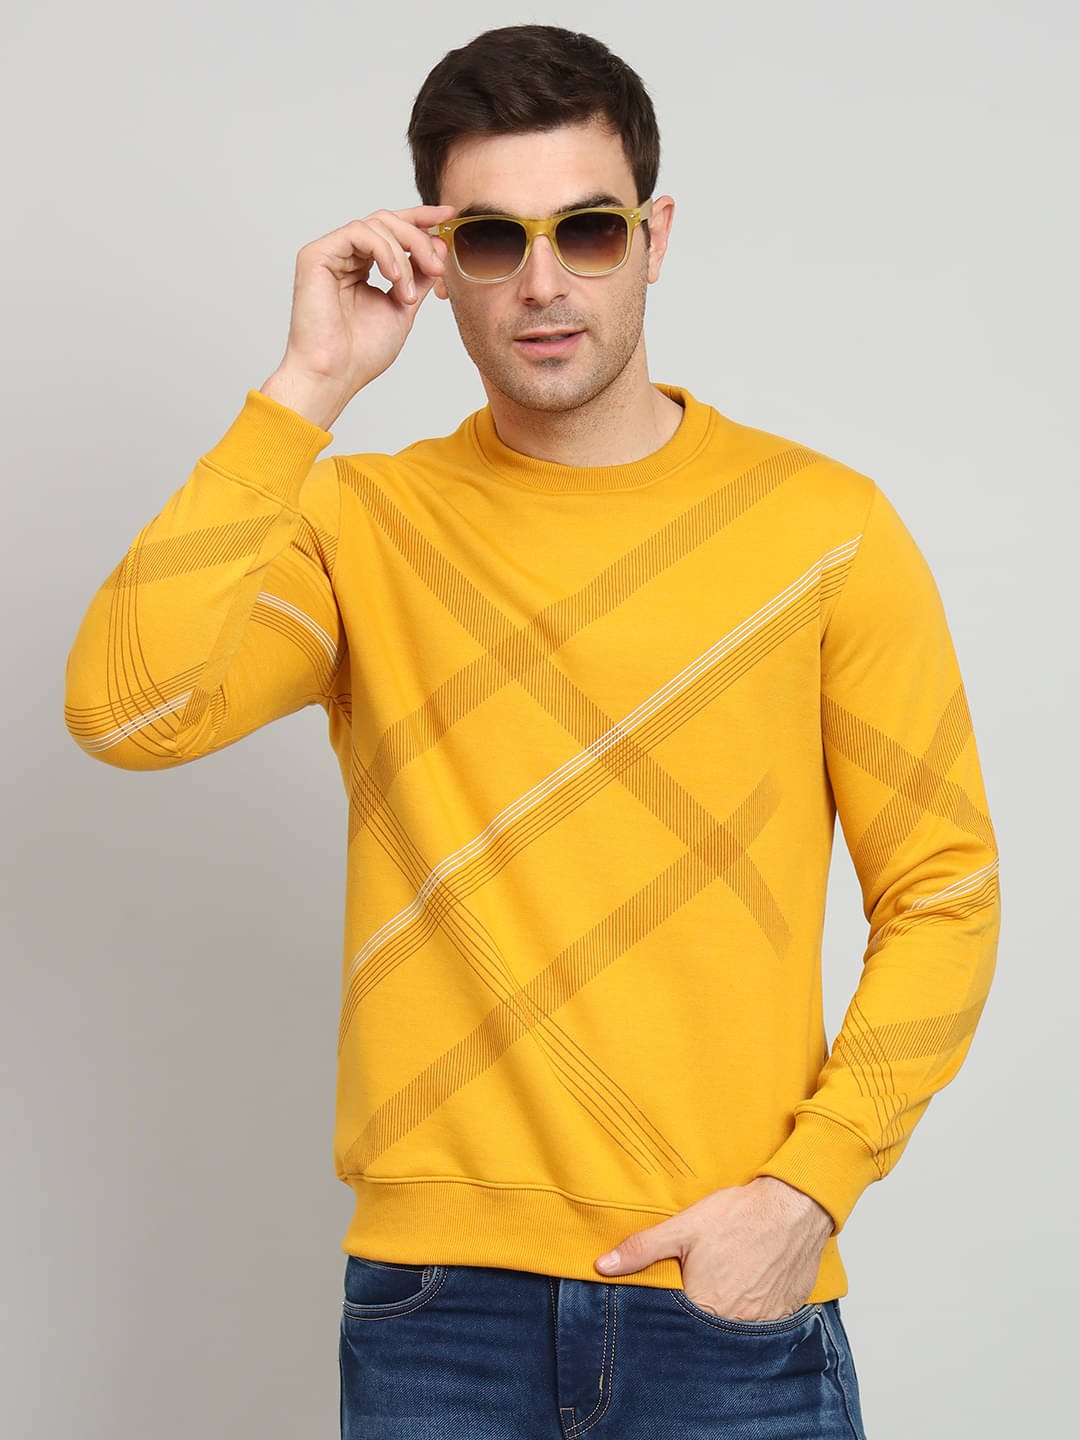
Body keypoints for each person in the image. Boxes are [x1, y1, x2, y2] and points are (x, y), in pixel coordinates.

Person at [63, 22, 1001, 1440]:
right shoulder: (363, 524)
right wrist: (306, 388)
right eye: (494, 239)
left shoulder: (826, 531)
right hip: (437, 1315)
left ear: (655, 237)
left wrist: (810, 1191)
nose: (545, 282)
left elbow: (946, 890)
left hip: (725, 1299)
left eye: (590, 229)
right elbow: (128, 707)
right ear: (438, 259)